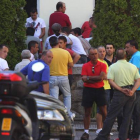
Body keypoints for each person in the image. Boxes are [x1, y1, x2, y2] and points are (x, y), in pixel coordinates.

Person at [95, 48, 140, 140]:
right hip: (131, 92)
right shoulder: (132, 66)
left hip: (119, 93)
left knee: (111, 115)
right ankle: (123, 137)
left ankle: (102, 136)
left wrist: (120, 89)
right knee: (127, 117)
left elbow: (110, 80)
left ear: (116, 57)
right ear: (125, 56)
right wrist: (132, 90)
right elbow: (138, 80)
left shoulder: (113, 66)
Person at [81, 48, 107, 140]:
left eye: (96, 53)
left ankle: (104, 131)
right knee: (87, 112)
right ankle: (86, 132)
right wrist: (92, 78)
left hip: (99, 89)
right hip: (88, 90)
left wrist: (89, 78)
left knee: (104, 111)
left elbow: (101, 78)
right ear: (88, 55)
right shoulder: (85, 65)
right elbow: (83, 78)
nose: (94, 55)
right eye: (92, 54)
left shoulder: (103, 65)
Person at [49, 36, 74, 118]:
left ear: (50, 44)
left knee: (54, 98)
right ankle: (68, 114)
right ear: (58, 43)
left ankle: (55, 115)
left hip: (52, 77)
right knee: (67, 95)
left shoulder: (48, 52)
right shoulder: (65, 52)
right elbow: (71, 64)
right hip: (63, 77)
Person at [125, 40, 140, 140]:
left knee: (136, 113)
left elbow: (135, 72)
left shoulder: (137, 57)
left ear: (133, 47)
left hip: (137, 89)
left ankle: (135, 135)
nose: (126, 49)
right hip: (136, 88)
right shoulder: (135, 56)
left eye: (127, 47)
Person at [96, 46, 111, 135]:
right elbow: (103, 76)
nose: (102, 53)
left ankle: (104, 129)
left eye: (103, 51)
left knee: (106, 109)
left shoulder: (105, 62)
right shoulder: (98, 62)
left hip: (107, 87)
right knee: (100, 109)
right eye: (100, 51)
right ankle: (99, 128)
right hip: (101, 87)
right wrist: (110, 77)